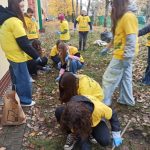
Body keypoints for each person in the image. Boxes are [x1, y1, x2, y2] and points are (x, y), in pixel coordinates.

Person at [0, 0, 44, 106]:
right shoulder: (14, 21)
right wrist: (37, 57)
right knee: (23, 79)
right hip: (17, 55)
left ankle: (16, 95)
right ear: (15, 5)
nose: (24, 8)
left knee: (16, 76)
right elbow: (24, 44)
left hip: (10, 54)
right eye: (22, 5)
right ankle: (25, 100)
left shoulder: (5, 19)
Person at [101, 0, 139, 106]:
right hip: (123, 54)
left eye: (113, 4)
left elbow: (131, 39)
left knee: (108, 78)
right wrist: (107, 48)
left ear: (119, 4)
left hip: (123, 55)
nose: (112, 7)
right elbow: (117, 37)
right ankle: (127, 100)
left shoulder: (128, 17)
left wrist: (127, 57)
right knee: (125, 78)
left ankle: (105, 101)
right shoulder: (121, 17)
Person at [55, 95, 122, 150]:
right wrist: (71, 131)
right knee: (85, 148)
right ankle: (78, 136)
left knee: (105, 141)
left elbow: (113, 115)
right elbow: (65, 122)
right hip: (80, 126)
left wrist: (116, 134)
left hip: (95, 123)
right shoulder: (65, 111)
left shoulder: (99, 109)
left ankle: (91, 133)